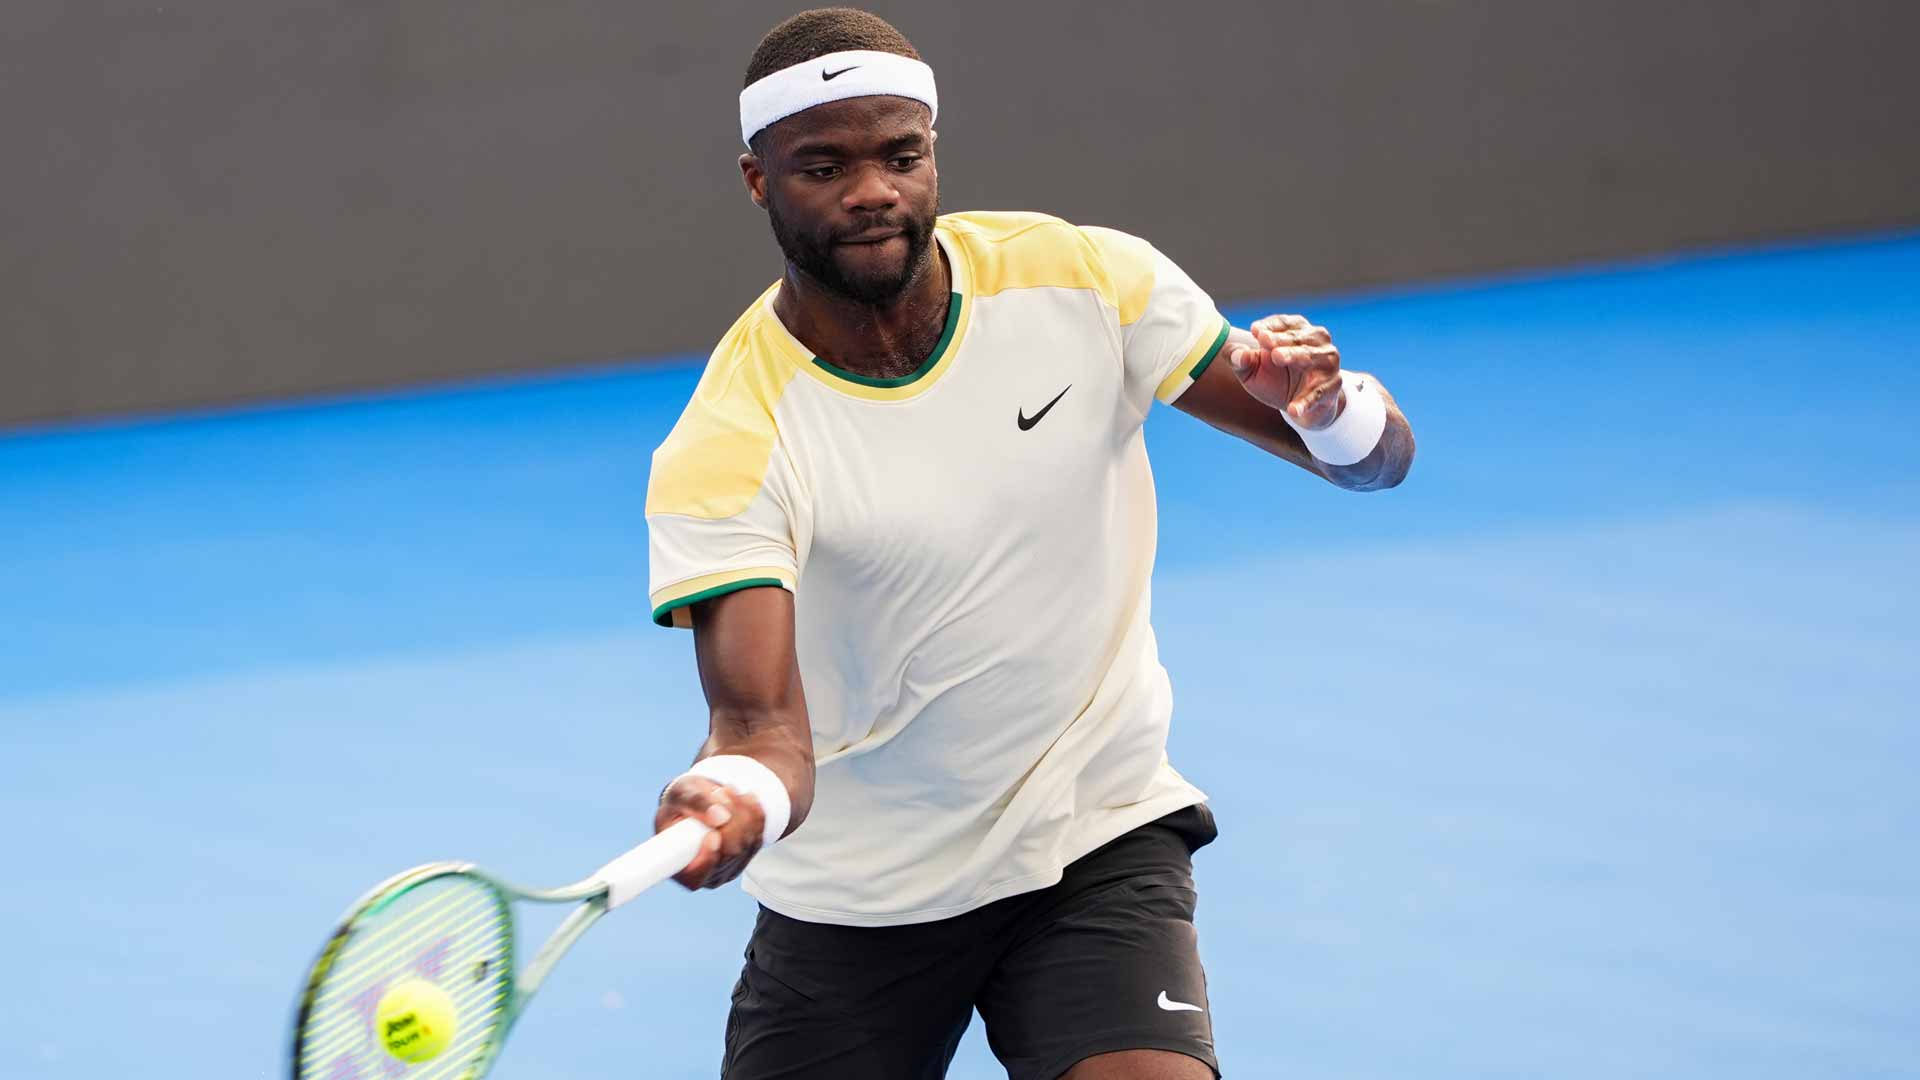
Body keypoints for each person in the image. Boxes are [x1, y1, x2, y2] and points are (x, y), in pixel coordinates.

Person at [643, 9, 1415, 1078]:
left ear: (931, 155)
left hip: (1091, 834)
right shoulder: (730, 443)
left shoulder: (1086, 281)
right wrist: (735, 797)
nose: (873, 191)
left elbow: (1373, 464)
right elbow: (761, 728)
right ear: (757, 179)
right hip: (861, 902)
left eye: (900, 156)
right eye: (823, 164)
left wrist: (1326, 406)